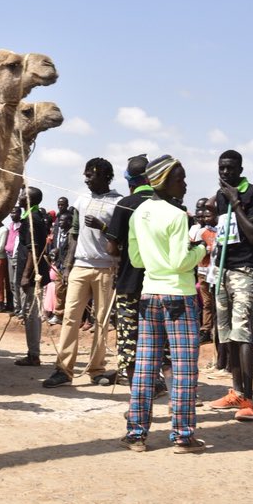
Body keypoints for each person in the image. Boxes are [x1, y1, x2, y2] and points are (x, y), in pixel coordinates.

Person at [120, 155, 208, 453]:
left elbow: (136, 260)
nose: (184, 184)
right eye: (180, 179)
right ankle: (183, 436)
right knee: (183, 368)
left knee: (145, 366)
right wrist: (202, 247)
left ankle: (136, 434)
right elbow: (180, 261)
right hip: (178, 297)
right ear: (163, 181)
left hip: (149, 295)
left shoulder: (139, 214)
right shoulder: (177, 215)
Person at [43, 158, 122, 388]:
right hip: (80, 266)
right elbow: (74, 234)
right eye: (85, 175)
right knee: (70, 318)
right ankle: (63, 370)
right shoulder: (81, 200)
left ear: (105, 176)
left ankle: (97, 370)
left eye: (91, 175)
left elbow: (120, 237)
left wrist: (103, 228)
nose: (86, 179)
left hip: (107, 268)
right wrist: (68, 266)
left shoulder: (118, 202)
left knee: (101, 321)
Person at [208, 150, 253, 421]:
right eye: (222, 168)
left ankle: (250, 401)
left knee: (243, 335)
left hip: (243, 270)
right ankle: (236, 391)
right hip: (221, 270)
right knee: (226, 334)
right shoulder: (219, 196)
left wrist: (236, 202)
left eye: (231, 168)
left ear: (240, 169)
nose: (225, 173)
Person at [105, 154, 154, 387]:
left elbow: (111, 248)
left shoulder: (125, 203)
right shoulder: (164, 202)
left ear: (129, 180)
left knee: (128, 335)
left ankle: (136, 387)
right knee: (157, 336)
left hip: (129, 279)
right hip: (158, 281)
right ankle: (158, 381)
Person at [15, 188, 51, 366]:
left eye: (22, 195)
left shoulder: (32, 219)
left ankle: (33, 354)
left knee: (31, 314)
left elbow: (33, 250)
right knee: (30, 313)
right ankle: (33, 353)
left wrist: (25, 276)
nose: (19, 197)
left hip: (30, 274)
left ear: (28, 200)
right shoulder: (32, 216)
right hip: (30, 273)